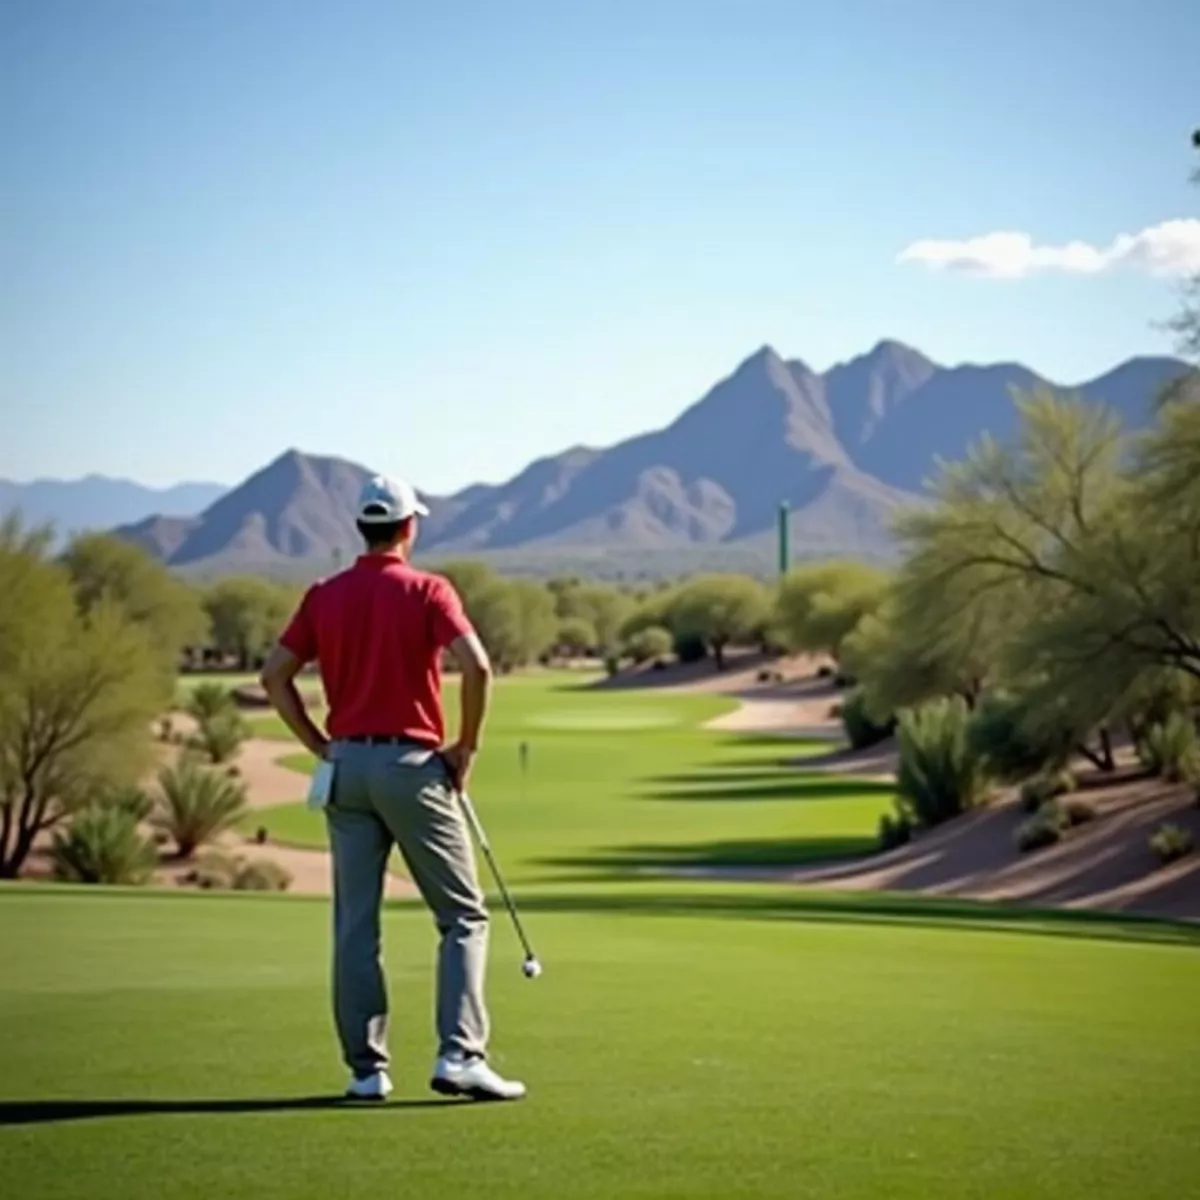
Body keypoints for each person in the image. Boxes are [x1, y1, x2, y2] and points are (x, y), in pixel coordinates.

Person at [259, 473, 525, 1103]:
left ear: (363, 528)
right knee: (462, 916)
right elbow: (477, 666)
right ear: (410, 527)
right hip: (413, 768)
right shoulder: (430, 590)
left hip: (346, 770)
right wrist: (468, 747)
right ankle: (460, 1055)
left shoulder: (323, 595)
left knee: (355, 926)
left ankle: (365, 1071)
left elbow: (275, 677)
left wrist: (319, 745)